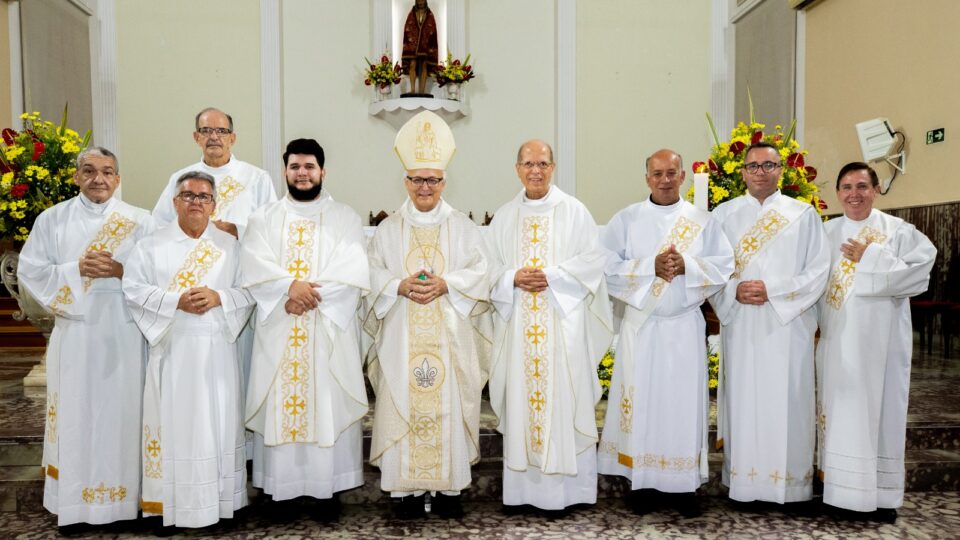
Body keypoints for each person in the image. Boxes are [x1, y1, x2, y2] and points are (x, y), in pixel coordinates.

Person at [17, 147, 152, 532]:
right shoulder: (53, 219)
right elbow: (30, 270)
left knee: (125, 417)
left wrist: (121, 269)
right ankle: (76, 507)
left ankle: (126, 504)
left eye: (108, 172)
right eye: (90, 171)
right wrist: (74, 268)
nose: (99, 179)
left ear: (118, 178)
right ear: (76, 177)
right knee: (78, 416)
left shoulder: (139, 221)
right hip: (76, 332)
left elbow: (161, 274)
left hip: (125, 332)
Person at [364, 111, 491, 519]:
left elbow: (480, 272)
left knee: (449, 403)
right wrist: (397, 285)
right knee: (401, 396)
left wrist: (447, 283)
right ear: (406, 181)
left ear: (443, 182)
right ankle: (403, 491)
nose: (424, 187)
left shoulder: (463, 227)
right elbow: (371, 274)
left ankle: (450, 489)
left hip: (449, 335)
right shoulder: (387, 230)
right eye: (417, 179)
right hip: (402, 332)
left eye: (432, 179)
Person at [597, 149, 734, 518]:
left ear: (682, 176)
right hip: (641, 329)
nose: (665, 179)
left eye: (672, 172)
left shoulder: (702, 221)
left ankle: (684, 485)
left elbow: (724, 265)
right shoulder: (627, 219)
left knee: (683, 406)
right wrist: (649, 267)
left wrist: (687, 264)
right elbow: (605, 266)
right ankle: (641, 482)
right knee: (642, 404)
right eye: (657, 173)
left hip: (684, 328)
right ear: (646, 177)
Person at [241, 139, 370, 521]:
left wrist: (306, 295)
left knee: (324, 401)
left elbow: (353, 269)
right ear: (285, 171)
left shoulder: (344, 216)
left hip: (325, 329)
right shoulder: (263, 218)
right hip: (280, 324)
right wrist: (288, 289)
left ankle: (324, 491)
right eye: (295, 166)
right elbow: (254, 264)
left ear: (322, 172)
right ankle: (282, 492)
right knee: (284, 403)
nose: (302, 173)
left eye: (309, 167)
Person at [487, 139, 613, 512]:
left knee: (563, 401)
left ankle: (568, 493)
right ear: (517, 169)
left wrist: (552, 277)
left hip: (562, 328)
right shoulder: (505, 216)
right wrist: (512, 277)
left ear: (553, 167)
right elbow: (487, 268)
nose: (536, 170)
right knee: (522, 401)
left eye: (542, 163)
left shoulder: (574, 211)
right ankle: (523, 493)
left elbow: (593, 261)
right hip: (520, 328)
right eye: (528, 163)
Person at [124, 171, 253, 529]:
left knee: (217, 426)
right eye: (188, 195)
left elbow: (249, 291)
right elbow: (133, 289)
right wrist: (174, 301)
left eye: (203, 196)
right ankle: (168, 505)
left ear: (214, 204)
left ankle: (220, 504)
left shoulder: (230, 247)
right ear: (174, 202)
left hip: (216, 357)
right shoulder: (151, 245)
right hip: (172, 352)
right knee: (173, 428)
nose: (196, 202)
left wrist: (219, 297)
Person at [709, 142, 830, 505]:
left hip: (786, 327)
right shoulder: (723, 215)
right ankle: (744, 484)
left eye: (768, 165)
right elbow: (710, 269)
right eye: (753, 166)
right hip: (742, 325)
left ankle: (789, 486)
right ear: (742, 172)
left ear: (782, 170)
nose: (760, 172)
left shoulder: (802, 215)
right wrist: (732, 291)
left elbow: (818, 271)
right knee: (746, 400)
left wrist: (773, 290)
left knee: (788, 400)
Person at [152, 107, 277, 454]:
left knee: (242, 373)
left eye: (221, 131)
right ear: (195, 137)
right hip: (192, 295)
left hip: (236, 292)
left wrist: (235, 230)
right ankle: (201, 451)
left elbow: (273, 230)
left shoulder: (257, 178)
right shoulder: (180, 179)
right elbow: (158, 227)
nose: (214, 137)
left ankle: (244, 452)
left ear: (233, 138)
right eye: (206, 131)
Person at [816, 162, 936, 522]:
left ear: (876, 189)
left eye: (862, 186)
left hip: (882, 342)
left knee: (881, 412)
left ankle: (881, 495)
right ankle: (838, 493)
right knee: (840, 412)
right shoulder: (825, 232)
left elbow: (919, 274)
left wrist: (870, 257)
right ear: (837, 193)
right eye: (847, 187)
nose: (854, 194)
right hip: (837, 340)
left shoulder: (898, 231)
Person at [401, 0, 439, 95]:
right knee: (412, 65)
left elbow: (432, 29)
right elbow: (408, 28)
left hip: (425, 45)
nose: (420, 2)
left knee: (424, 66)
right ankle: (413, 89)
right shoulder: (412, 14)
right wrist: (412, 39)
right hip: (413, 45)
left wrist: (427, 38)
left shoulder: (430, 15)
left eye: (422, 0)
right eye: (419, 1)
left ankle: (422, 91)